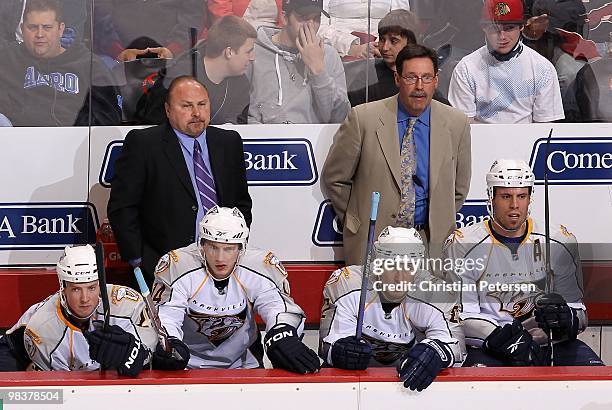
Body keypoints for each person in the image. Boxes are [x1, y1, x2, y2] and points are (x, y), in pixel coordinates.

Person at [443, 159, 603, 367]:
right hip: (493, 346)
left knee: (594, 377)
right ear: (491, 197)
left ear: (530, 198)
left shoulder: (559, 240)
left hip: (550, 344)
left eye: (521, 196)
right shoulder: (463, 244)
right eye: (505, 196)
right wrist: (505, 340)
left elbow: (579, 313)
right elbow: (461, 317)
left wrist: (567, 318)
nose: (514, 205)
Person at [322, 44, 471, 266]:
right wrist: (358, 221)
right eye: (411, 77)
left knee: (427, 302)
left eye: (426, 77)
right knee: (373, 302)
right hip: (373, 242)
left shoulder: (457, 123)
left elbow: (458, 190)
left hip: (430, 246)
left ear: (436, 81)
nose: (419, 86)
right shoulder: (363, 119)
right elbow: (335, 179)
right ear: (397, 79)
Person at [107, 76, 252, 284]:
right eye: (186, 106)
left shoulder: (229, 143)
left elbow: (241, 204)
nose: (197, 113)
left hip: (222, 265)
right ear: (167, 110)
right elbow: (122, 208)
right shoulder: (144, 144)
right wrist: (140, 260)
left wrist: (233, 250)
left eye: (202, 104)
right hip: (163, 267)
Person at [151, 206, 321, 373]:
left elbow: (277, 306)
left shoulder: (260, 265)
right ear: (201, 245)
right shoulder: (178, 265)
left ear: (241, 248)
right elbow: (167, 314)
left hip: (245, 365)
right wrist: (170, 342)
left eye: (229, 249)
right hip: (188, 365)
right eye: (213, 247)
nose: (220, 258)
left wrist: (281, 332)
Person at [320, 227, 465, 391]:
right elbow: (327, 345)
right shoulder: (347, 283)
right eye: (391, 265)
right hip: (356, 382)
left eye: (408, 266)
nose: (399, 278)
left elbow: (457, 348)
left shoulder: (435, 293)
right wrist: (342, 352)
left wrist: (436, 351)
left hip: (407, 381)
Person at [0, 245, 157, 374]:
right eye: (76, 289)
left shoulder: (128, 304)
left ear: (101, 284)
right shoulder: (40, 325)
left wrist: (135, 354)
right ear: (63, 289)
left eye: (92, 288)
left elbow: (157, 351)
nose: (85, 298)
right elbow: (61, 394)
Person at [0, 0, 121, 126]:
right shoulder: (7, 61)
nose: (40, 34)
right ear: (22, 29)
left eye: (47, 27)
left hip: (76, 141)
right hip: (17, 140)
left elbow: (109, 119)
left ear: (61, 29)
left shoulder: (91, 66)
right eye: (33, 27)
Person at [448, 0, 564, 124]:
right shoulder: (466, 68)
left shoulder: (542, 68)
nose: (502, 36)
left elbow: (544, 127)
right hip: (480, 141)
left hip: (527, 141)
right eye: (495, 28)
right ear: (484, 28)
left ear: (522, 27)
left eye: (509, 28)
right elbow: (463, 126)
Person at [137, 16, 256, 125]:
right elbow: (154, 122)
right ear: (229, 52)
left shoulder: (241, 84)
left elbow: (238, 127)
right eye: (248, 51)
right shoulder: (177, 77)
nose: (252, 57)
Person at [248, 0, 350, 123]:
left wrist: (319, 72)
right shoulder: (255, 52)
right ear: (285, 18)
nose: (311, 26)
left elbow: (341, 117)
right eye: (304, 18)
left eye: (316, 18)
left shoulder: (329, 55)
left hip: (314, 140)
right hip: (263, 138)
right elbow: (241, 111)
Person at [347, 9, 449, 107]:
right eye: (382, 39)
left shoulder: (423, 76)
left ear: (411, 42)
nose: (385, 47)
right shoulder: (368, 75)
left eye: (394, 41)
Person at [92, 0, 205, 62]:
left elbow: (193, 17)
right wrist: (116, 51)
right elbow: (99, 14)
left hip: (172, 56)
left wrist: (173, 49)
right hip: (116, 56)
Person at [317, 0, 411, 59]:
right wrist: (352, 47)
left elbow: (401, 23)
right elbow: (318, 26)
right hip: (337, 52)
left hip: (383, 52)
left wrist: (380, 46)